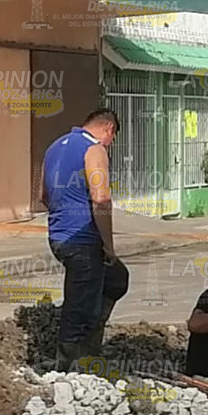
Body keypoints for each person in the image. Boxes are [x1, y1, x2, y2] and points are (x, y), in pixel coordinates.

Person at [42, 108, 125, 372]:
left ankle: (91, 349)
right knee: (81, 306)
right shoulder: (94, 149)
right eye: (112, 138)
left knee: (117, 279)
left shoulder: (54, 147)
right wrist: (108, 246)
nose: (109, 144)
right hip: (82, 240)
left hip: (58, 237)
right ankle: (69, 366)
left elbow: (43, 195)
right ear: (109, 129)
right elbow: (101, 199)